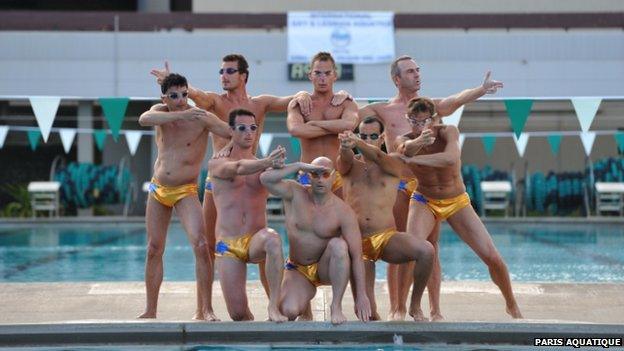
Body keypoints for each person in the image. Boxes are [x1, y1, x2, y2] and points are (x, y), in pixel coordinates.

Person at [150, 55, 348, 302]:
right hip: (219, 183)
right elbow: (196, 95)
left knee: (265, 246)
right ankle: (204, 308)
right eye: (221, 71)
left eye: (230, 71)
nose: (223, 75)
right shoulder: (215, 102)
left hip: (251, 183)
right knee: (208, 247)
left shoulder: (260, 103)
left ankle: (275, 304)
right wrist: (174, 83)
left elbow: (294, 101)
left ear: (243, 75)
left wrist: (311, 93)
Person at [358, 55, 504, 320]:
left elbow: (455, 100)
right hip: (399, 186)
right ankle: (398, 308)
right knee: (399, 245)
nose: (417, 75)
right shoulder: (381, 110)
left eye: (418, 70)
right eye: (410, 71)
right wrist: (336, 96)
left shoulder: (431, 108)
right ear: (397, 79)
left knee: (431, 247)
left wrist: (481, 90)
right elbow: (349, 117)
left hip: (424, 186)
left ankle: (435, 309)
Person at [396, 97, 523, 319]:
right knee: (409, 251)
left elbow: (450, 158)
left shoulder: (448, 132)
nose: (419, 126)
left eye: (424, 121)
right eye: (414, 121)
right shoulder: (405, 139)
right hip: (424, 200)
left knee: (491, 256)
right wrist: (414, 147)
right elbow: (402, 150)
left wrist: (414, 161)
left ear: (434, 119)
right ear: (408, 120)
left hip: (456, 200)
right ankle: (402, 307)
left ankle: (511, 303)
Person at [137, 73, 231, 321]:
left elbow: (232, 132)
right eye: (174, 96)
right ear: (164, 98)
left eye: (184, 95)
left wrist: (226, 151)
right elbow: (144, 119)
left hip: (186, 191)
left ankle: (206, 309)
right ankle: (150, 310)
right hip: (159, 190)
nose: (181, 100)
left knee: (201, 246)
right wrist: (180, 114)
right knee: (153, 249)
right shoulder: (159, 111)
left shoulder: (201, 117)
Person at [336, 118, 434, 321]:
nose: (367, 140)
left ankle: (414, 306)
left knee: (426, 251)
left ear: (381, 138)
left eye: (373, 136)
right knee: (367, 314)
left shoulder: (394, 162)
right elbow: (344, 159)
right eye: (363, 136)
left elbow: (379, 156)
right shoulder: (349, 166)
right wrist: (346, 145)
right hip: (357, 242)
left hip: (386, 237)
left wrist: (357, 142)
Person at [260, 157, 372, 325]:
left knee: (339, 246)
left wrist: (362, 295)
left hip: (325, 268)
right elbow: (265, 179)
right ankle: (304, 305)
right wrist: (298, 165)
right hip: (298, 269)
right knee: (288, 311)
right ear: (308, 175)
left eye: (325, 175)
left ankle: (336, 306)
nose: (320, 180)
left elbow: (357, 256)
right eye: (315, 174)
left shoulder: (343, 211)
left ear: (335, 177)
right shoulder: (294, 193)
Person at [208, 108, 288, 322]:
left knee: (273, 239)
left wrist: (286, 167)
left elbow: (289, 186)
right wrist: (268, 162)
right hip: (228, 244)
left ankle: (273, 307)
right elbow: (239, 167)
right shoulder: (217, 163)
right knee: (238, 315)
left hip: (256, 240)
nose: (248, 132)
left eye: (253, 128)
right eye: (242, 128)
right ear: (231, 131)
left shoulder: (264, 168)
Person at [287, 52, 359, 197]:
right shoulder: (300, 103)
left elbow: (349, 124)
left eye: (327, 73)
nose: (322, 78)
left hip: (336, 174)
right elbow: (295, 130)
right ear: (310, 75)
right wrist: (334, 128)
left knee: (339, 219)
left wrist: (314, 124)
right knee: (306, 219)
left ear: (335, 75)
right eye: (318, 73)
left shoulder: (346, 102)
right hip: (308, 174)